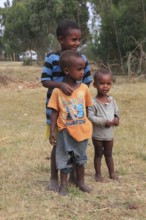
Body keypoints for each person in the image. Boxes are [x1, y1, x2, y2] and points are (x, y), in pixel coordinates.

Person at [41, 20, 92, 192]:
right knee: (58, 146)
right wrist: (60, 85)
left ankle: (75, 178)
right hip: (56, 112)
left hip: (76, 115)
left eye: (79, 40)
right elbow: (44, 81)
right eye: (73, 39)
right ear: (61, 39)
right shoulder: (52, 58)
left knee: (77, 144)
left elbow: (87, 82)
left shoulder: (82, 59)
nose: (77, 43)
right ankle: (54, 178)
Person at [48, 50, 93, 195]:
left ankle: (80, 181)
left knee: (81, 158)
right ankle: (63, 185)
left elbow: (87, 108)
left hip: (81, 131)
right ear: (66, 70)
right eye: (79, 69)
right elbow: (54, 111)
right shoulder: (57, 91)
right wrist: (52, 131)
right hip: (65, 132)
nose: (82, 72)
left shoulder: (84, 89)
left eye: (83, 68)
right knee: (64, 159)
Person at [88, 69, 120, 182]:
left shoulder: (111, 100)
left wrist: (116, 119)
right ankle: (98, 174)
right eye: (101, 83)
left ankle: (112, 173)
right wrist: (104, 121)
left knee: (109, 154)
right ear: (95, 85)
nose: (105, 86)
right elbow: (91, 117)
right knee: (98, 153)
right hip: (98, 134)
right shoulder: (93, 102)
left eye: (108, 83)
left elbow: (117, 112)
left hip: (109, 135)